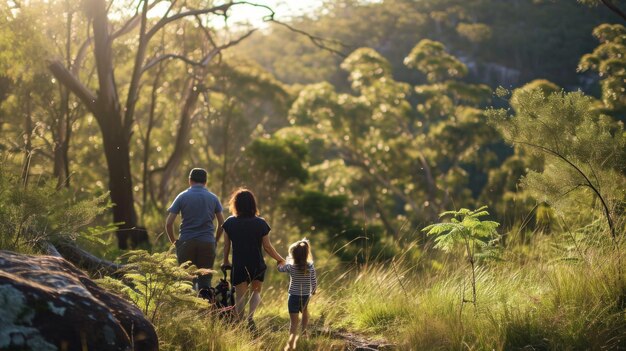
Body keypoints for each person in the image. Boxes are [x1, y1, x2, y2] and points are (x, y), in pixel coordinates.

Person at [222, 188, 285, 330]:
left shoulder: (229, 222)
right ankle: (250, 318)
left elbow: (226, 245)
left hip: (239, 264)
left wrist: (226, 261)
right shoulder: (261, 223)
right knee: (255, 292)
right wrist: (280, 259)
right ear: (252, 204)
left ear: (236, 204)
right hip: (256, 263)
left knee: (240, 297)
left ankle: (238, 323)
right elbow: (268, 247)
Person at [165, 168, 224, 298]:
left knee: (185, 280)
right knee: (205, 281)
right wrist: (215, 240)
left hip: (186, 242)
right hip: (207, 242)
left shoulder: (182, 196)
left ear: (190, 180)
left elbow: (169, 223)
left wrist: (175, 242)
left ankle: (187, 312)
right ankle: (205, 311)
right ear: (206, 182)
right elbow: (222, 224)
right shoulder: (213, 198)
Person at [278, 239, 317, 351]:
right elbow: (313, 280)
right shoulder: (310, 266)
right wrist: (314, 289)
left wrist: (280, 262)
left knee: (293, 322)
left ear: (293, 255)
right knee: (305, 311)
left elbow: (280, 269)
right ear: (306, 254)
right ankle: (304, 332)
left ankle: (291, 343)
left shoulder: (290, 266)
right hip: (306, 295)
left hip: (293, 296)